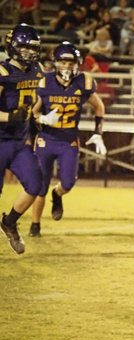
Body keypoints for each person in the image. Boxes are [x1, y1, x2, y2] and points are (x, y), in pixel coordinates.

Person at [28, 41, 106, 237]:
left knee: (68, 183)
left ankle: (57, 194)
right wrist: (42, 118)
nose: (66, 67)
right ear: (55, 62)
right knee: (40, 186)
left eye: (71, 63)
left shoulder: (83, 82)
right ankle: (35, 225)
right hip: (46, 139)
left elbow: (99, 106)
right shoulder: (45, 82)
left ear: (77, 64)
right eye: (63, 62)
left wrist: (98, 132)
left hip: (68, 141)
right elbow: (32, 113)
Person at [0, 24, 44, 255]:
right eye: (24, 47)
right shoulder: (3, 71)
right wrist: (10, 116)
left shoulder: (38, 70)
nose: (29, 52)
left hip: (18, 143)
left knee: (35, 184)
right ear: (12, 46)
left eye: (33, 47)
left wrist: (37, 115)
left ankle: (9, 222)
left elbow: (41, 97)